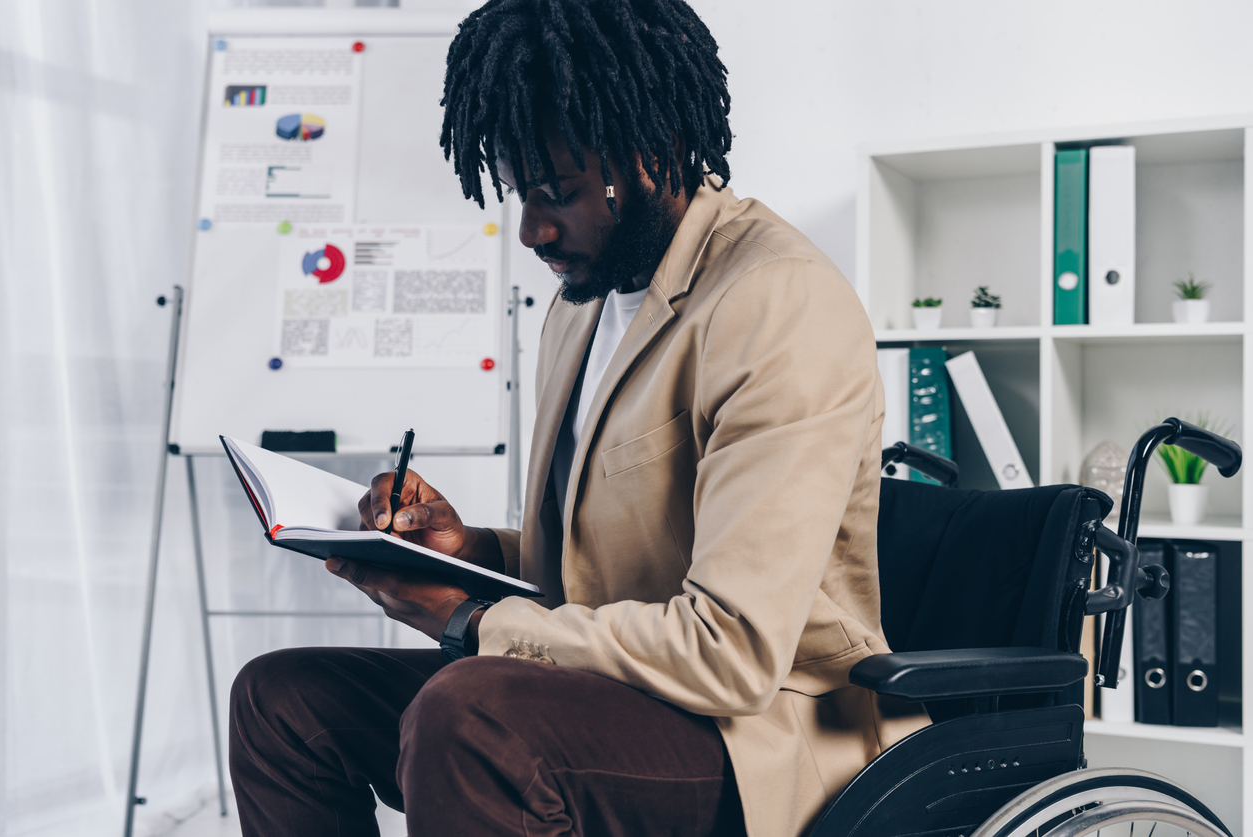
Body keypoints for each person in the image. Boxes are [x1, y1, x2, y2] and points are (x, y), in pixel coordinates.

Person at [228, 1, 927, 835]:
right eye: (522, 193)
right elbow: (608, 567)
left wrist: (468, 618)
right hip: (610, 691)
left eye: (556, 192)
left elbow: (731, 650)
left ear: (652, 153)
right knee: (281, 701)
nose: (530, 229)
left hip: (759, 732)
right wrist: (470, 549)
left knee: (469, 721)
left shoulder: (778, 301)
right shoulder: (584, 301)